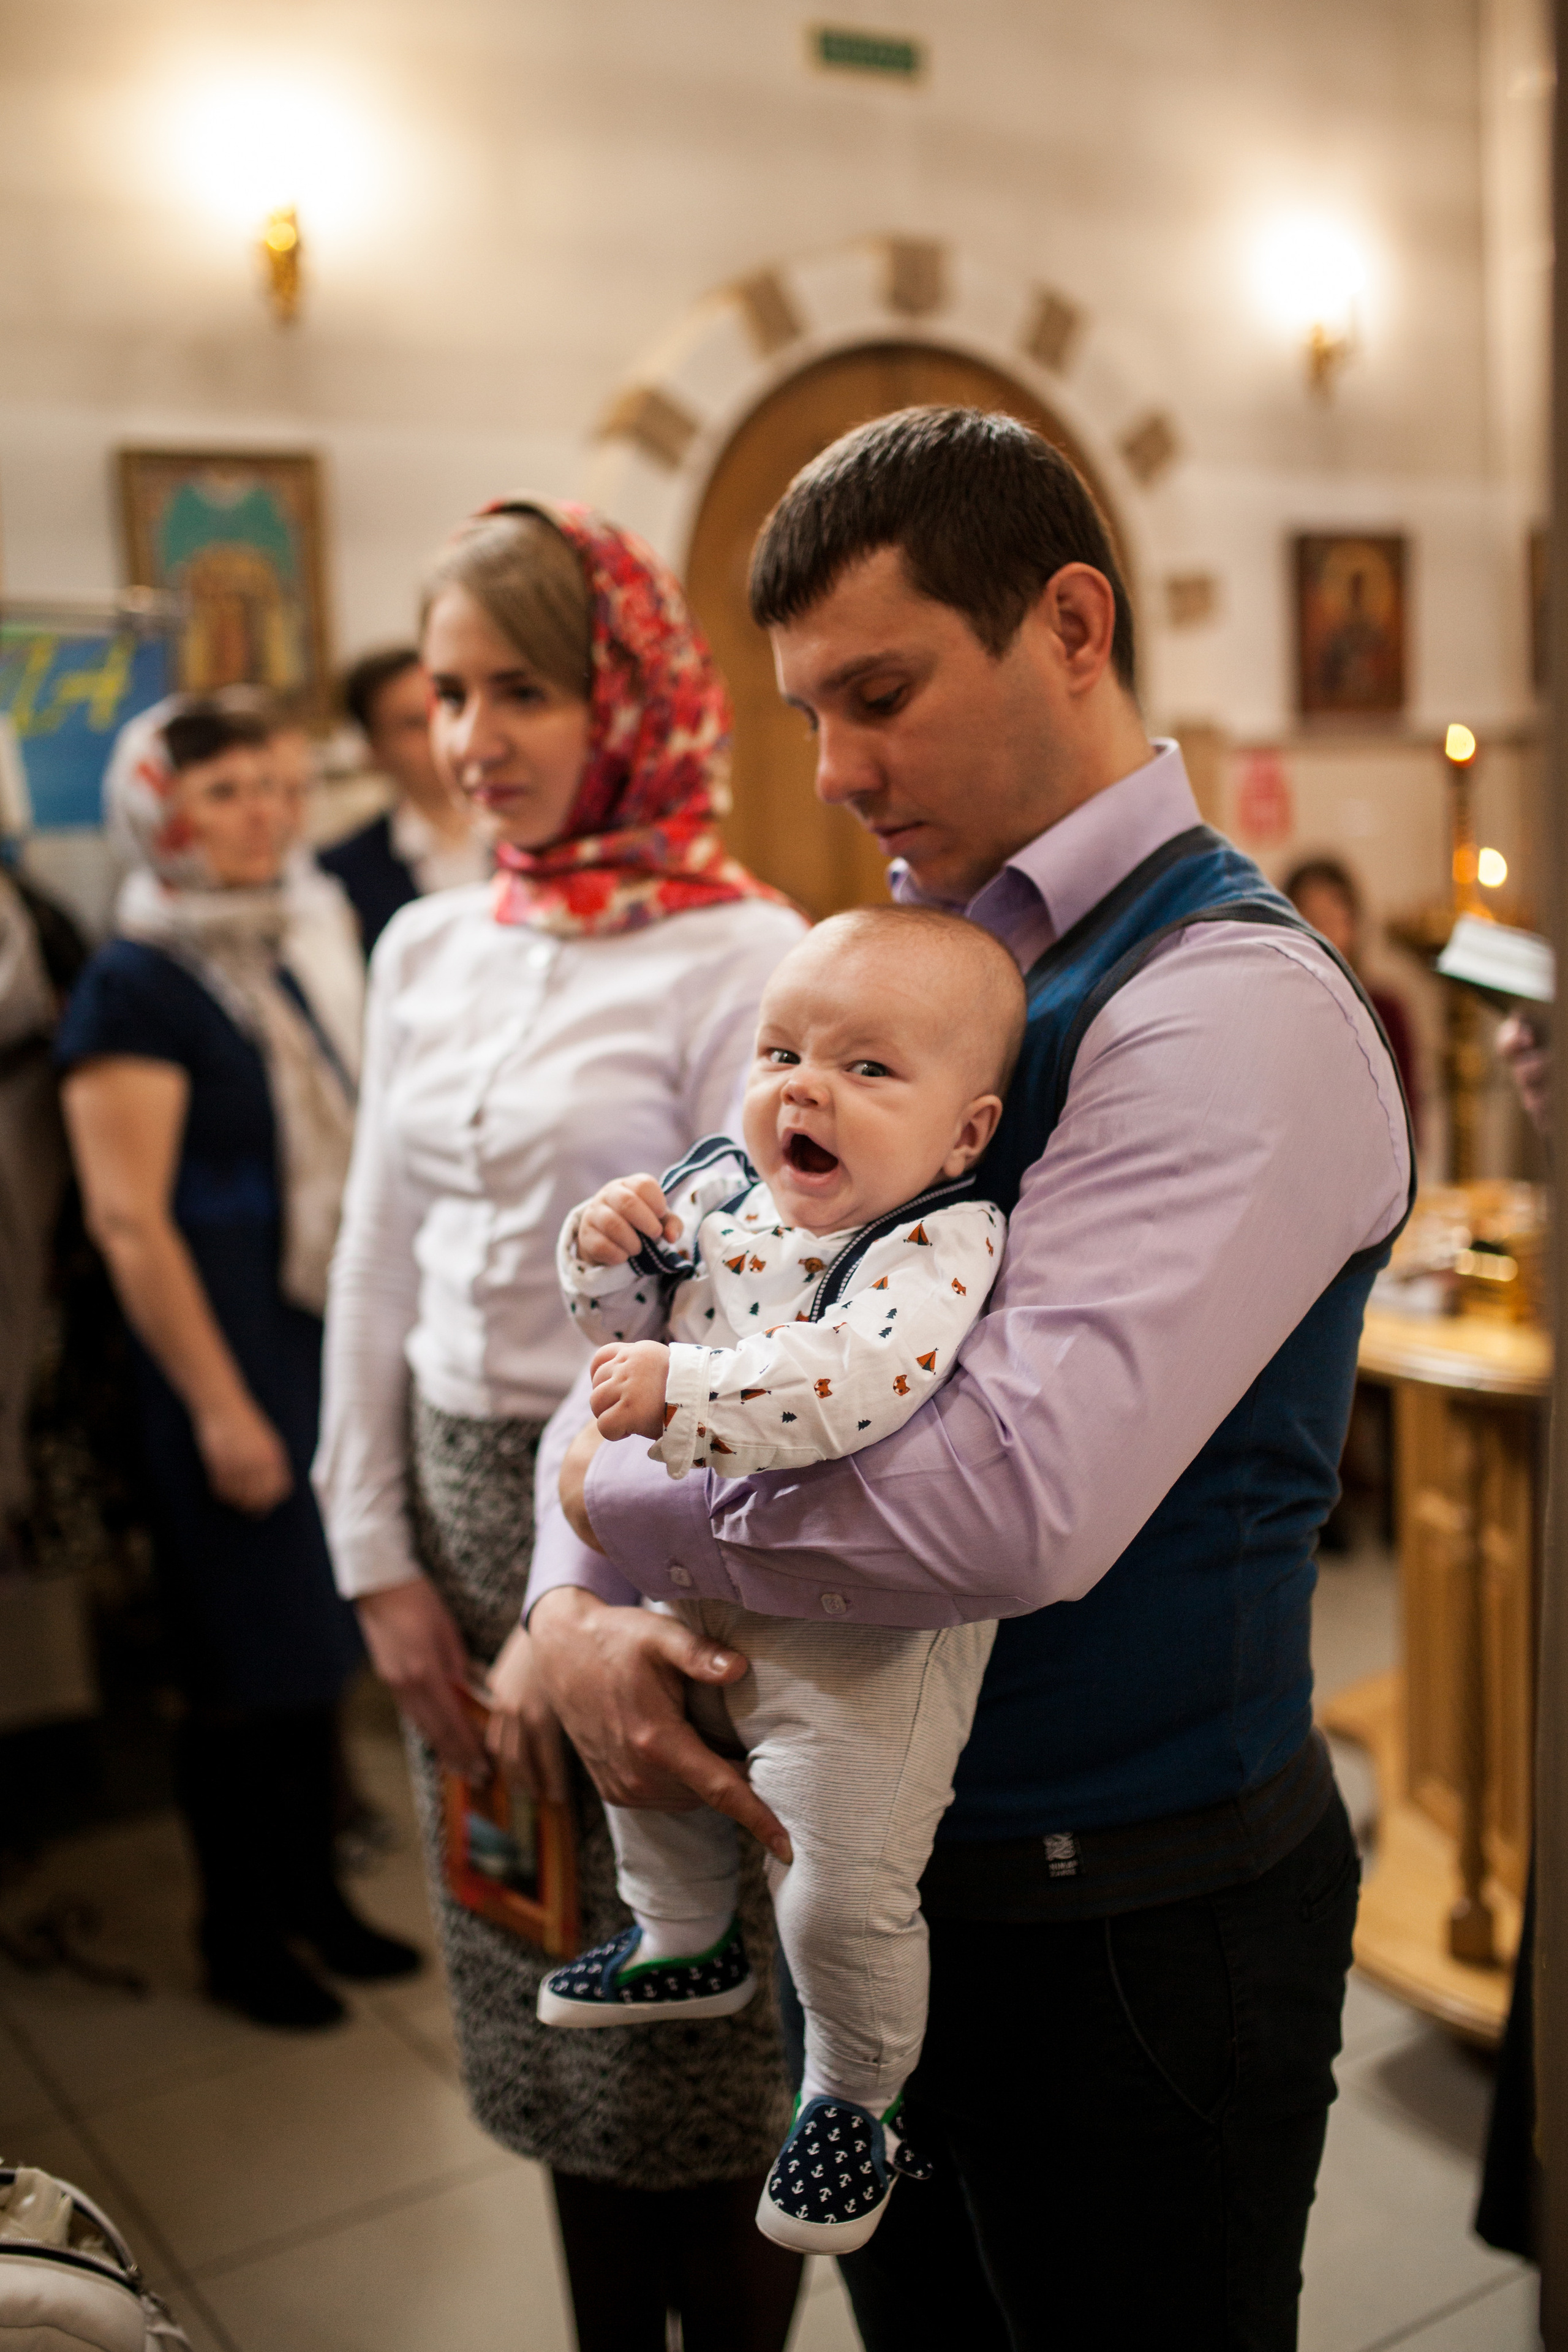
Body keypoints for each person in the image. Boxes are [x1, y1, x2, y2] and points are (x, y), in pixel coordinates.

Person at [529, 408, 1415, 2350]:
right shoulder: (902, 970)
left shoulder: (1224, 1002)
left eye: (881, 693)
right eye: (806, 710)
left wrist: (614, 1507)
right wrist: (575, 1611)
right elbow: (698, 1299)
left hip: (1128, 1905)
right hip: (894, 1855)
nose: (834, 772)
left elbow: (1002, 1501)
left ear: (1073, 625)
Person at [312, 500, 809, 2352]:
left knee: (690, 2010)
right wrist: (374, 1556)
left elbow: (728, 1319)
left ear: (628, 694)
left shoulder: (733, 944)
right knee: (539, 1995)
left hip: (649, 1523)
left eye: (521, 686)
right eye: (447, 690)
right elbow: (378, 1248)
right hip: (447, 1506)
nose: (471, 736)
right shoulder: (431, 943)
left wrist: (558, 1589)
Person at [537, 906, 1020, 2255]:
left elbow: (856, 1386)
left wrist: (674, 1387)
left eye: (866, 1071)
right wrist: (604, 1256)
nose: (801, 1086)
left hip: (863, 1647)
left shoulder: (938, 1239)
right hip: (701, 1597)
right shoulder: (721, 1195)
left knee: (836, 1872)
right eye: (778, 1052)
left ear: (962, 1134)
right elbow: (618, 1341)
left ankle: (854, 2094)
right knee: (656, 1774)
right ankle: (679, 1938)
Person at [55, 697, 418, 2031]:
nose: (264, 813)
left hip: (304, 1340)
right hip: (215, 1357)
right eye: (225, 793)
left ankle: (317, 1898)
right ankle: (239, 1935)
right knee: (235, 1669)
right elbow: (125, 1218)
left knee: (312, 1649)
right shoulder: (135, 980)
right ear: (160, 811)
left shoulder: (279, 942)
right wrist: (217, 1406)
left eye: (276, 787)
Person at [320, 646, 487, 953]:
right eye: (414, 724)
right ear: (374, 749)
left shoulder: (530, 837)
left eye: (449, 708)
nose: (440, 733)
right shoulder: (341, 871)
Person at [1286, 853, 1421, 1142]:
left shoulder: (1384, 1011)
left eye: (1336, 919)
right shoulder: (1278, 1012)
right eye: (1313, 920)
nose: (1327, 934)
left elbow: (1409, 1124)